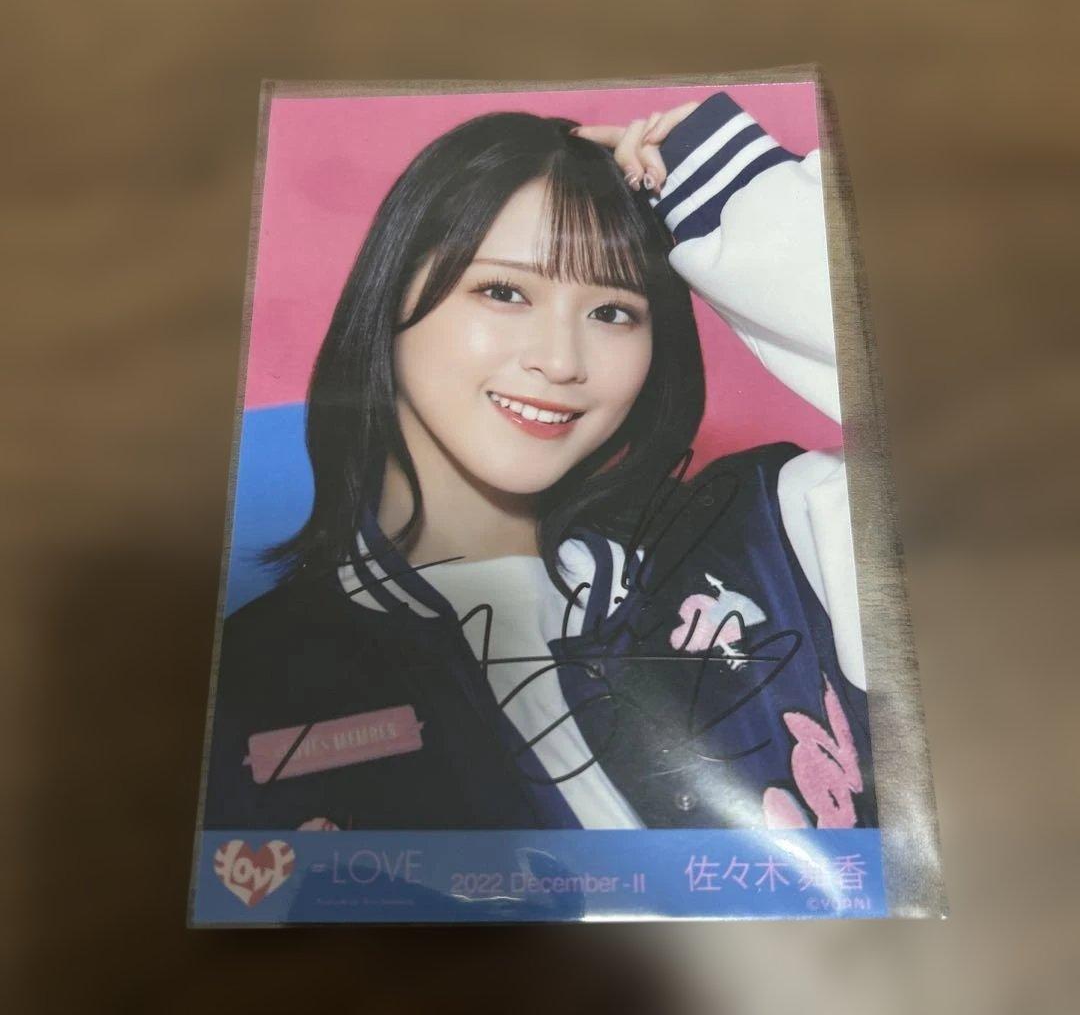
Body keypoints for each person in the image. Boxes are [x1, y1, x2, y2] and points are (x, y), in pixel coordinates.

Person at [202, 91, 877, 833]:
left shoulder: (774, 541)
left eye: (612, 312)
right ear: (388, 297)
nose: (560, 361)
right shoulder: (246, 680)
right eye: (503, 292)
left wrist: (731, 187)